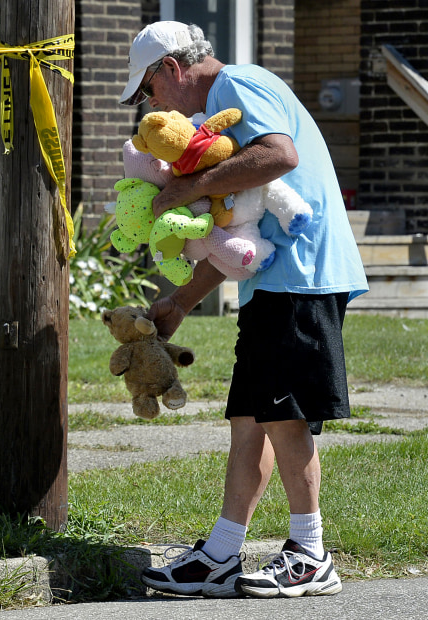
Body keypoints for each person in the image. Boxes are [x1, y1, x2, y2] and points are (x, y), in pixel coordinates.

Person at [119, 21, 368, 599]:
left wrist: (183, 190)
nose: (150, 106)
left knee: (284, 413)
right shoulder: (221, 122)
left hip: (300, 277)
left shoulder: (236, 84)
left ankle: (311, 553)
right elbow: (241, 228)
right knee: (251, 419)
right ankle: (221, 556)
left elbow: (280, 155)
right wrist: (179, 302)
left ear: (172, 71)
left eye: (148, 91)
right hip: (275, 281)